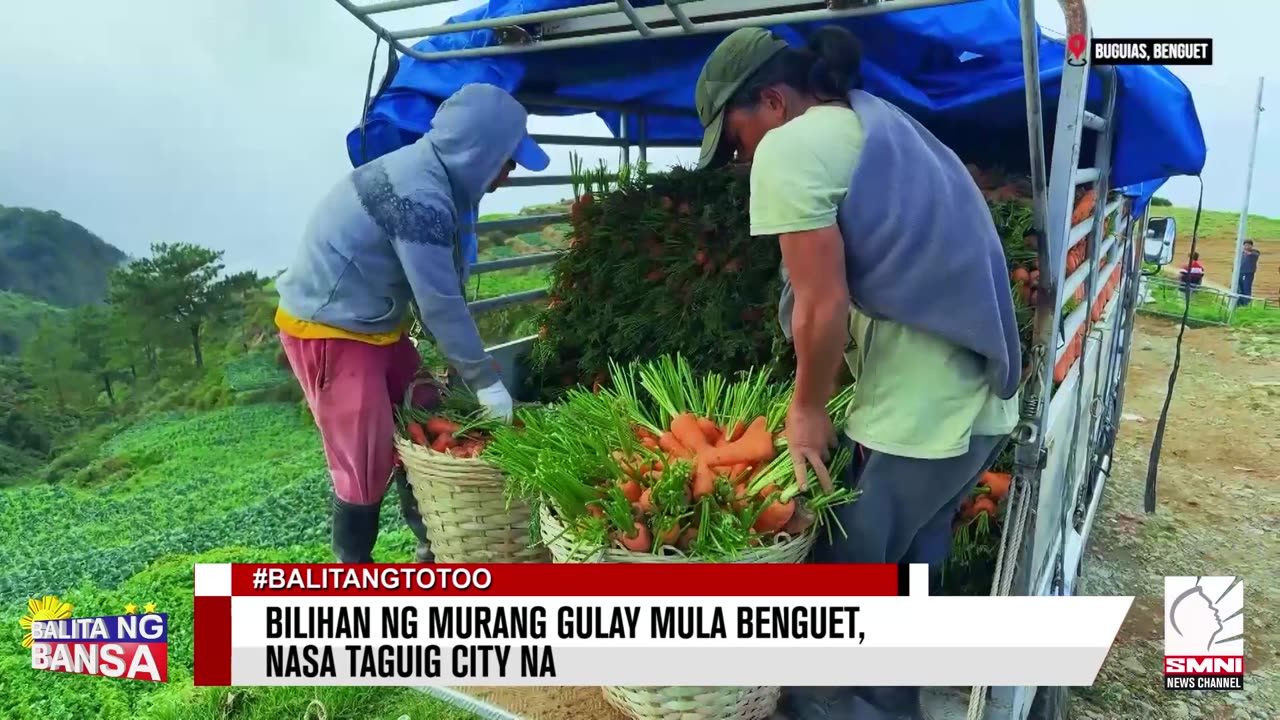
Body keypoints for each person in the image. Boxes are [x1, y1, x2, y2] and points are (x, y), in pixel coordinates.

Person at [695, 26, 1021, 720]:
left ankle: (822, 708)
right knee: (912, 571)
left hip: (922, 412)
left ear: (773, 103)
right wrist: (824, 391)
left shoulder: (791, 146)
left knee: (839, 582)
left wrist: (807, 410)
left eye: (735, 139)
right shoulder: (878, 123)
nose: (741, 157)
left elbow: (823, 301)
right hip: (973, 403)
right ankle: (897, 708)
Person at [275, 83, 549, 564]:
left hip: (376, 319)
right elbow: (439, 302)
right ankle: (353, 574)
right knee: (362, 461)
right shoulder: (420, 195)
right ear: (478, 151)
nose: (504, 178)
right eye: (506, 163)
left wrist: (467, 368)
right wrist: (484, 380)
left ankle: (433, 548)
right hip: (330, 328)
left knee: (424, 409)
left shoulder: (437, 177)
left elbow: (439, 288)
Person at [1237, 239, 1260, 306]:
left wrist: (1246, 252)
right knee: (1239, 288)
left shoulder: (1255, 253)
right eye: (1245, 245)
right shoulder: (1241, 253)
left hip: (1248, 273)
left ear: (1251, 246)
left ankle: (1246, 303)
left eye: (1248, 245)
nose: (1246, 247)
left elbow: (1253, 254)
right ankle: (1239, 303)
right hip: (1239, 273)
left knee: (1246, 288)